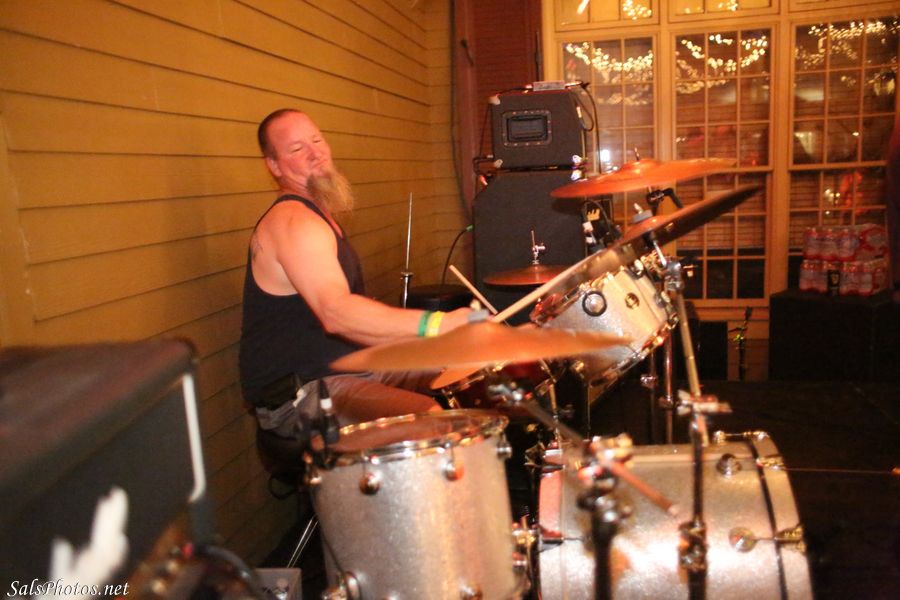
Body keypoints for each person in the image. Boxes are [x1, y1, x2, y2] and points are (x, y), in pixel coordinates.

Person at [239, 109, 471, 436]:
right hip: (301, 393)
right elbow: (336, 313)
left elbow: (353, 323)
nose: (315, 153)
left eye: (317, 140)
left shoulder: (318, 216)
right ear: (274, 166)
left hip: (347, 367)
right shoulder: (294, 222)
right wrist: (437, 325)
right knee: (430, 419)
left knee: (463, 365)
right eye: (297, 149)